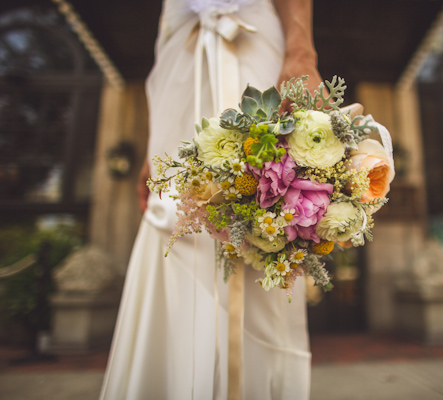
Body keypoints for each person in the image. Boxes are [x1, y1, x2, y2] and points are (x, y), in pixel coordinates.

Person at [99, 0, 324, 399]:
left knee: (258, 204)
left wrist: (301, 50)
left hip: (249, 36)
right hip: (175, 52)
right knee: (171, 217)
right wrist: (156, 141)